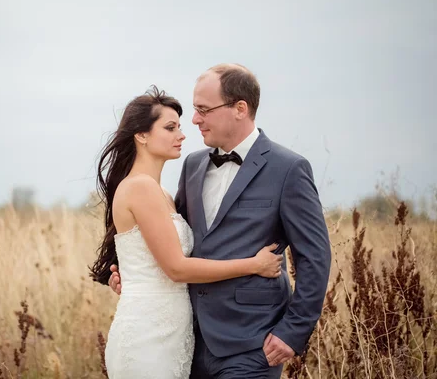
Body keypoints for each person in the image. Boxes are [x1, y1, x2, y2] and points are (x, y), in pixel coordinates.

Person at [107, 64, 332, 378]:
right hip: (188, 341)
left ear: (240, 109)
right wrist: (131, 275)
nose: (195, 120)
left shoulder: (288, 169)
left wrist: (293, 332)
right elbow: (171, 242)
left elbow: (315, 256)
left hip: (253, 344)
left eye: (203, 109)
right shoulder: (193, 166)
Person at [89, 85, 284, 379]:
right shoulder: (140, 188)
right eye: (169, 128)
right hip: (148, 336)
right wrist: (254, 265)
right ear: (141, 135)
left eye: (179, 127)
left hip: (174, 335)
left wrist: (127, 275)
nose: (181, 135)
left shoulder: (163, 194)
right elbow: (177, 269)